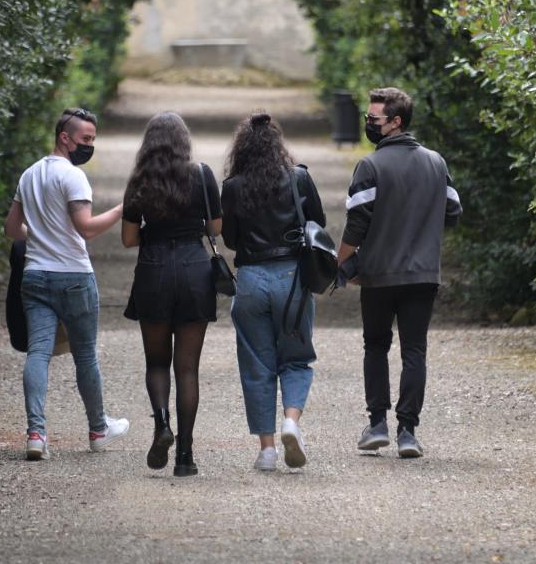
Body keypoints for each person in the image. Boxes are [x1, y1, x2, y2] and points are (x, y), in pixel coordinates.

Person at [338, 87, 462, 458]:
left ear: (395, 122)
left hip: (378, 274)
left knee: (376, 346)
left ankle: (377, 425)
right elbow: (453, 212)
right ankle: (407, 431)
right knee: (414, 351)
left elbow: (356, 224)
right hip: (423, 274)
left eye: (373, 119)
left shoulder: (370, 166)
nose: (368, 124)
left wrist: (338, 263)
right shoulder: (436, 162)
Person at [4, 107, 130, 461]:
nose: (89, 146)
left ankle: (36, 433)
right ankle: (98, 429)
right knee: (85, 354)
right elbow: (86, 227)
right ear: (65, 137)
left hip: (35, 276)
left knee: (39, 353)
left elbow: (12, 230)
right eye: (85, 139)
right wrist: (121, 209)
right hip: (73, 276)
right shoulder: (73, 177)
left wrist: (42, 236)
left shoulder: (29, 174)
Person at [221, 112, 326, 472]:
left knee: (256, 364)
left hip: (250, 279)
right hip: (292, 277)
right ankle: (291, 422)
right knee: (296, 357)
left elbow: (231, 239)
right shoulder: (299, 178)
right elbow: (318, 225)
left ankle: (267, 451)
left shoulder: (233, 187)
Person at [121, 111, 220, 477]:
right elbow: (217, 228)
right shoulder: (202, 174)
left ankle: (162, 424)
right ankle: (186, 456)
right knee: (188, 369)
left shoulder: (140, 181)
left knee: (157, 362)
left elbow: (129, 239)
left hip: (154, 271)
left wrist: (155, 233)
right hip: (195, 270)